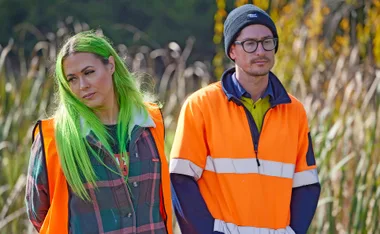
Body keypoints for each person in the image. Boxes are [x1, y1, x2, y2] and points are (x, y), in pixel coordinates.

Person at [170, 4, 320, 234]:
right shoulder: (200, 105)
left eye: (267, 42)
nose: (260, 51)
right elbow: (181, 180)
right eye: (250, 44)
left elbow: (307, 185)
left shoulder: (295, 111)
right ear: (232, 52)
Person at [25, 31, 173, 234]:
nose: (83, 86)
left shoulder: (151, 123)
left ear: (111, 65)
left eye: (88, 72)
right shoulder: (53, 138)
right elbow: (38, 213)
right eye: (72, 79)